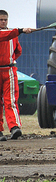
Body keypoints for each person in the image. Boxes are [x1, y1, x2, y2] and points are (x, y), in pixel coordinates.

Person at [0, 10, 34, 141]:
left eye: (5, 20)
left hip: (8, 70)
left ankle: (14, 127)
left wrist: (11, 59)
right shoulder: (11, 33)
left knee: (11, 100)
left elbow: (18, 51)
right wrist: (21, 30)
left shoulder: (12, 34)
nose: (3, 22)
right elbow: (5, 35)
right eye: (1, 20)